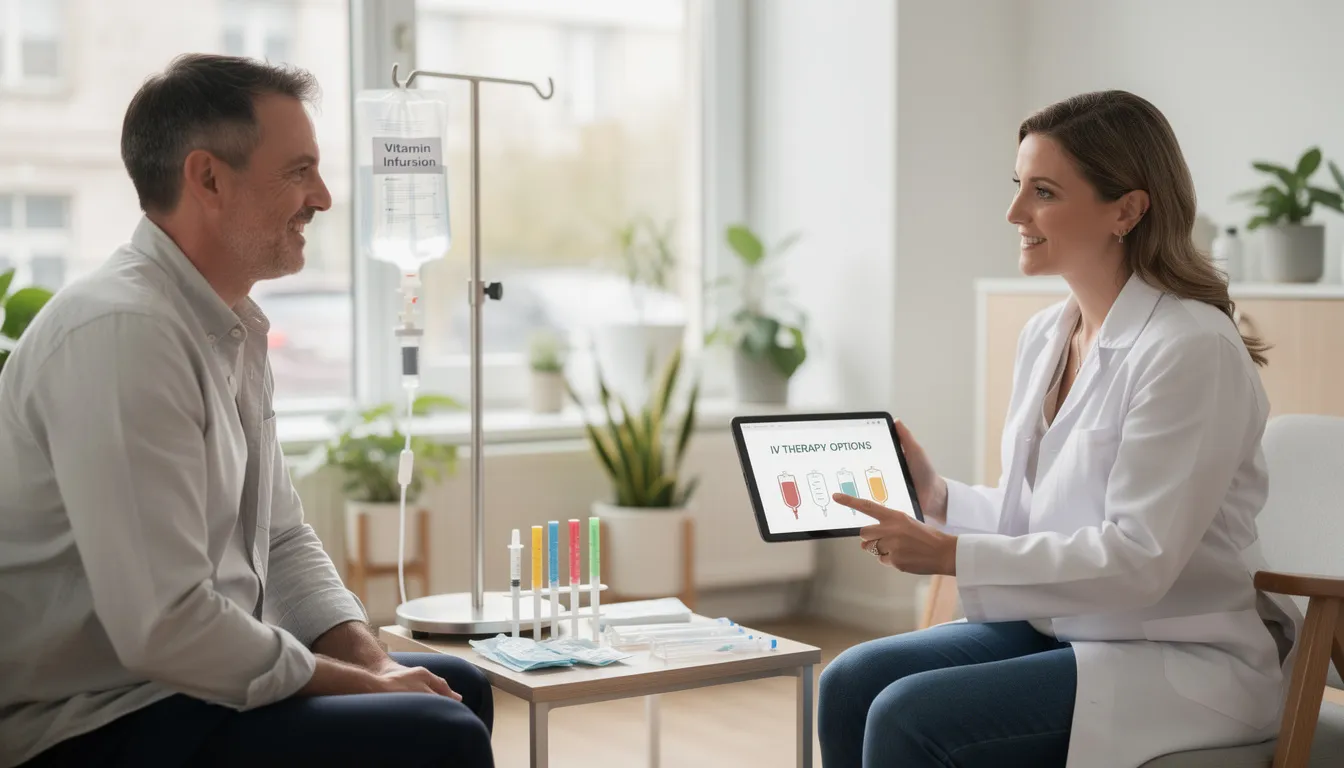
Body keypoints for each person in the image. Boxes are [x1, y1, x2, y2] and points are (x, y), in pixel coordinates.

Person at [0, 54, 494, 768]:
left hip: (187, 693)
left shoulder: (227, 327)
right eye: (298, 171)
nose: (323, 197)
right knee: (438, 733)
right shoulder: (123, 332)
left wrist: (375, 667)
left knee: (459, 686)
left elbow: (284, 540)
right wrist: (362, 683)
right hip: (98, 721)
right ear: (207, 178)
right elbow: (165, 629)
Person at [818, 90, 1302, 768]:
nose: (1014, 213)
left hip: (1172, 656)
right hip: (1066, 628)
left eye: (1043, 192)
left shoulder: (1192, 349)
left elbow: (1138, 560)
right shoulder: (1048, 333)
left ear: (1127, 210)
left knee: (908, 718)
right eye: (1018, 186)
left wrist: (950, 555)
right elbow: (1044, 520)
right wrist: (942, 501)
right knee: (849, 682)